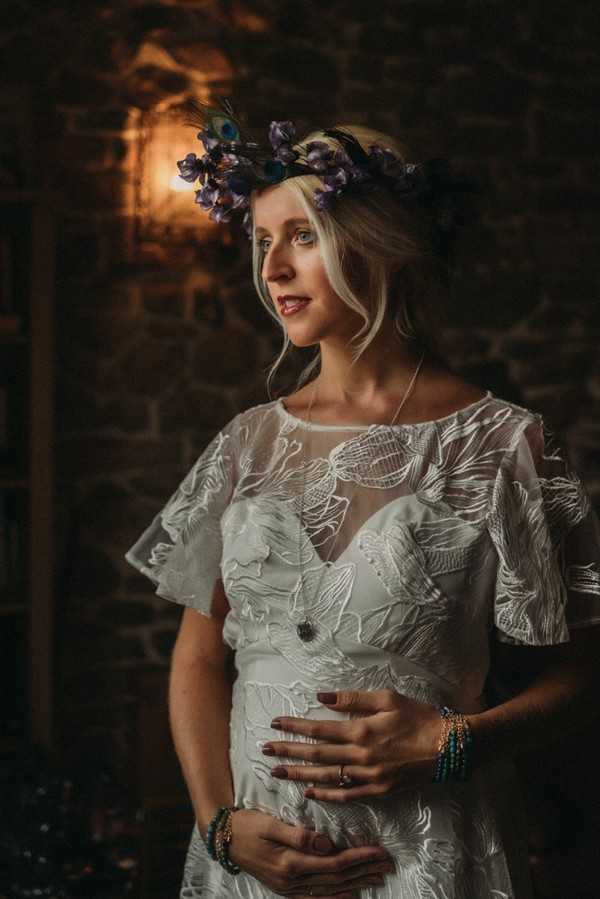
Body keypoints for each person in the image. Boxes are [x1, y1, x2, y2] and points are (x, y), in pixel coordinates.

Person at [125, 107, 600, 899]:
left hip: (431, 853)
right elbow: (200, 658)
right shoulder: (245, 445)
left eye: (302, 236)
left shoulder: (503, 445)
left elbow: (580, 677)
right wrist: (218, 823)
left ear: (381, 241)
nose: (274, 268)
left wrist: (455, 744)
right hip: (252, 857)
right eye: (262, 242)